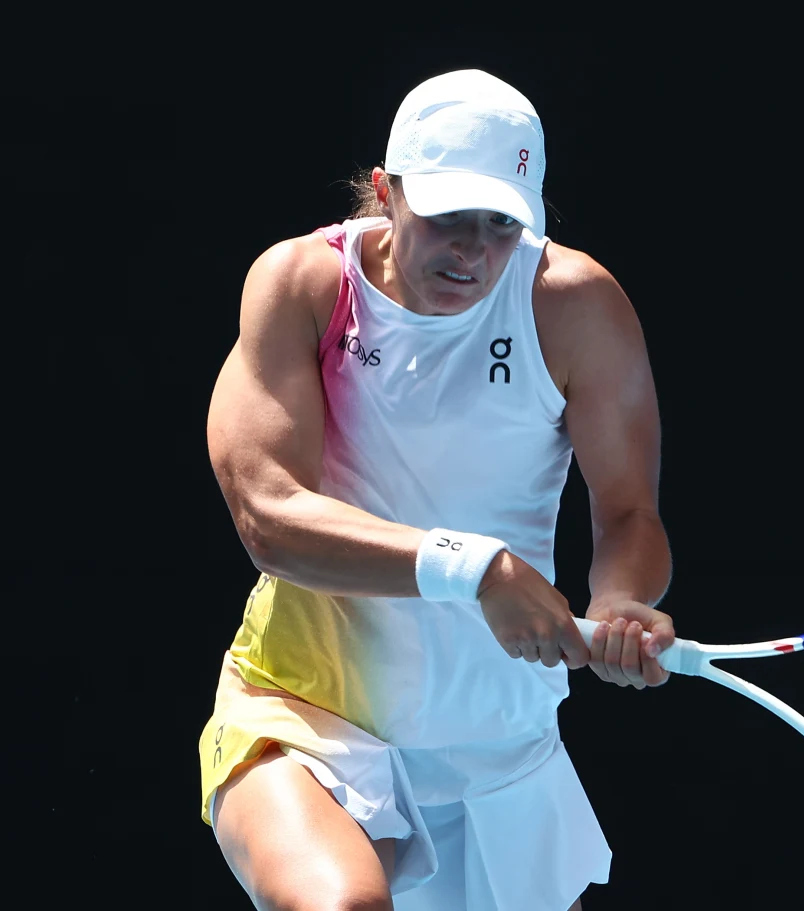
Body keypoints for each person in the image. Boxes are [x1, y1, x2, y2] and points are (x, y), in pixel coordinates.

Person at [197, 68, 675, 911]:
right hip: (306, 711)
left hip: (499, 748)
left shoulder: (575, 306)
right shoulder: (305, 284)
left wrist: (622, 601)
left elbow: (630, 512)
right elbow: (268, 516)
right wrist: (477, 568)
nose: (472, 250)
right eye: (449, 216)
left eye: (500, 223)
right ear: (386, 191)